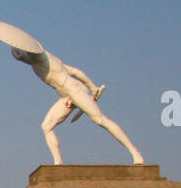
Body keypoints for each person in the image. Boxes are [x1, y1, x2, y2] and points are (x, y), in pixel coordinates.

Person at [10, 47, 144, 166]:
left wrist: (92, 87)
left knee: (100, 119)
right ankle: (58, 163)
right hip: (66, 97)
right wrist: (20, 57)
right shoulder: (36, 64)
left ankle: (135, 152)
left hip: (76, 90)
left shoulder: (48, 59)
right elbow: (72, 70)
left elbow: (75, 72)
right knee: (46, 126)